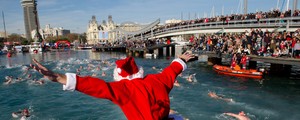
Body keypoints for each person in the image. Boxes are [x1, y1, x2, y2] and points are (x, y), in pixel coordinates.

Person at [30, 52, 195, 120]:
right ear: (139, 72)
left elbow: (96, 86)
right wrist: (181, 59)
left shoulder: (124, 89)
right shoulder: (157, 80)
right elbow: (172, 70)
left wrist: (60, 78)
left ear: (119, 76)